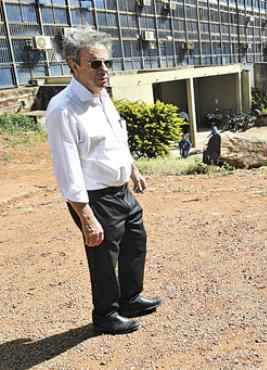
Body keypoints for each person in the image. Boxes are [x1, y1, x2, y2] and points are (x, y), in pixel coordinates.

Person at [45, 27, 161, 335]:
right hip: (94, 198)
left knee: (135, 241)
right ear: (74, 65)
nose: (104, 70)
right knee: (102, 257)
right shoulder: (63, 108)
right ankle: (106, 314)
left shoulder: (101, 96)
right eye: (95, 64)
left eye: (106, 63)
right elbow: (67, 168)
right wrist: (86, 216)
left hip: (120, 190)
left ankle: (130, 298)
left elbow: (115, 137)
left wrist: (133, 170)